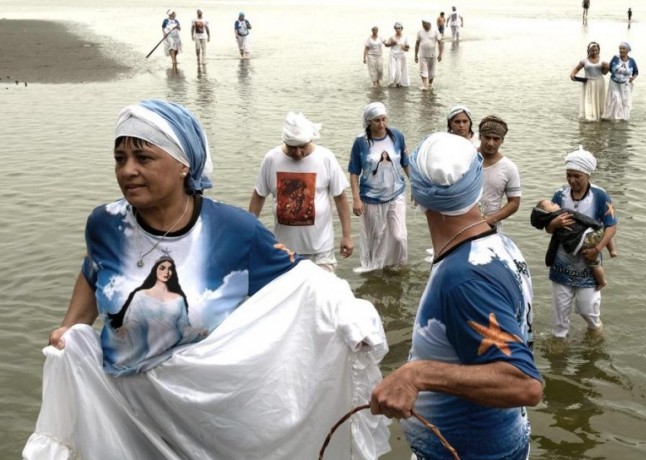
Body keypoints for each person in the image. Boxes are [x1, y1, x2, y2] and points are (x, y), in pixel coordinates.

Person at [23, 100, 390, 459]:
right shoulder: (105, 224)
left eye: (143, 158)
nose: (127, 170)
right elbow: (93, 273)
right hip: (119, 409)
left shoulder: (234, 230)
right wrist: (69, 328)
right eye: (120, 159)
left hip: (206, 417)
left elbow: (305, 286)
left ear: (184, 164)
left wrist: (349, 315)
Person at [370, 132, 541, 460]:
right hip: (494, 443)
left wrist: (417, 375)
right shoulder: (495, 243)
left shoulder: (464, 278)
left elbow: (524, 384)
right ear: (477, 185)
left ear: (416, 196)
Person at [249, 112, 353, 273]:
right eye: (292, 147)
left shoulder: (325, 157)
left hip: (320, 251)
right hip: (285, 251)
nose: (297, 152)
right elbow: (259, 195)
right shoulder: (271, 159)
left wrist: (347, 235)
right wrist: (249, 230)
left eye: (302, 146)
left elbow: (340, 198)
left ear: (310, 140)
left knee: (322, 290)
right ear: (284, 142)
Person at [544, 146, 617, 337]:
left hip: (587, 262)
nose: (572, 180)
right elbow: (548, 228)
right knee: (559, 317)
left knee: (588, 310)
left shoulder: (599, 196)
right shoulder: (559, 195)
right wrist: (554, 223)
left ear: (588, 175)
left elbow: (611, 226)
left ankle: (596, 332)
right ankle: (559, 346)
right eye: (569, 175)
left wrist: (597, 249)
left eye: (577, 176)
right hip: (561, 262)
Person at [348, 102, 409, 273]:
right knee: (376, 238)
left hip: (396, 194)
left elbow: (405, 163)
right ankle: (375, 272)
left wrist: (417, 187)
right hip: (371, 198)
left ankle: (397, 268)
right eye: (377, 121)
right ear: (369, 122)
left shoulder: (397, 136)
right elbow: (354, 172)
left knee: (399, 236)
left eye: (384, 119)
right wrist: (356, 199)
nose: (382, 124)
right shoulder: (361, 142)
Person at [532, 200, 607, 290]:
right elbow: (549, 231)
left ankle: (602, 281)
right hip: (588, 238)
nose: (556, 203)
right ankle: (602, 280)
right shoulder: (561, 211)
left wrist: (596, 226)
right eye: (552, 204)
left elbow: (582, 218)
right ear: (547, 212)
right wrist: (553, 224)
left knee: (593, 262)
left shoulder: (563, 212)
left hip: (586, 238)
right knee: (594, 261)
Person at [477, 115, 521, 232]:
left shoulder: (509, 167)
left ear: (502, 140)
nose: (491, 143)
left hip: (492, 227)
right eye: (487, 137)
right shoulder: (466, 159)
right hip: (462, 223)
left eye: (496, 139)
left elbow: (514, 203)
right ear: (480, 136)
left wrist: (489, 220)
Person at [570, 41, 609, 121]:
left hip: (599, 82)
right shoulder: (584, 61)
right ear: (588, 50)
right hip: (588, 82)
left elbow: (604, 73)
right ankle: (589, 117)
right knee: (589, 100)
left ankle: (599, 115)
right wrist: (572, 74)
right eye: (592, 50)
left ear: (598, 50)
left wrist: (607, 67)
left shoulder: (602, 61)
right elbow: (577, 68)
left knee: (599, 99)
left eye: (596, 50)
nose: (594, 52)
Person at [603, 42, 639, 122]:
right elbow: (610, 69)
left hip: (625, 85)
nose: (621, 50)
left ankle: (623, 119)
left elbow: (636, 72)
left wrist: (633, 78)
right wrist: (604, 67)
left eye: (623, 48)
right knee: (616, 100)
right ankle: (614, 119)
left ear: (628, 50)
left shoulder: (632, 61)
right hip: (614, 83)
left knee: (624, 102)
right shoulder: (615, 58)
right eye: (620, 48)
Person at [414, 18, 443, 91]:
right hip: (422, 55)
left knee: (432, 74)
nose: (423, 25)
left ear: (429, 24)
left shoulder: (435, 31)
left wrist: (440, 54)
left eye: (424, 23)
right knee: (423, 72)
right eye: (422, 23)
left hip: (432, 55)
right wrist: (415, 55)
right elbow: (417, 44)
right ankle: (425, 87)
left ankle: (429, 85)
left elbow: (440, 43)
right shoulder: (419, 32)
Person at [384, 22, 410, 88]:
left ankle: (399, 83)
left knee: (399, 71)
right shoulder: (392, 37)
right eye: (396, 28)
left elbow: (407, 49)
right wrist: (392, 43)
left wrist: (405, 46)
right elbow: (386, 44)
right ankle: (393, 83)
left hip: (401, 56)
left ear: (402, 28)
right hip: (393, 55)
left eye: (399, 28)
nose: (397, 29)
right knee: (392, 71)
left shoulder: (405, 37)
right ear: (394, 29)